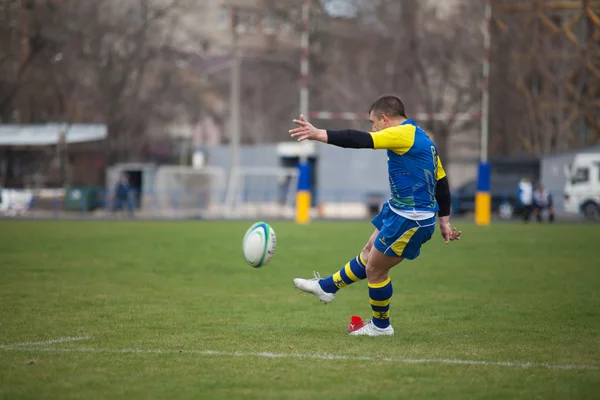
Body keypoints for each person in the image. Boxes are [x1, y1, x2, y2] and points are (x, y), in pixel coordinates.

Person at [289, 95, 461, 337]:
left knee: (375, 270)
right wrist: (444, 220)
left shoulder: (402, 134)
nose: (373, 128)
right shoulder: (421, 137)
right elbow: (441, 180)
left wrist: (319, 134)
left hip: (411, 218)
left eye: (373, 122)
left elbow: (359, 140)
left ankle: (381, 326)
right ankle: (326, 288)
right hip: (400, 210)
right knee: (370, 250)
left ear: (385, 119)